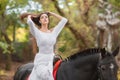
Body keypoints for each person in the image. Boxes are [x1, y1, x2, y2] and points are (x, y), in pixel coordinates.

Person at [20, 11, 68, 80]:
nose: (45, 18)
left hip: (52, 59)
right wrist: (30, 16)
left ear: (48, 20)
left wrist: (51, 13)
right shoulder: (37, 32)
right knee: (45, 76)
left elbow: (64, 20)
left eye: (46, 17)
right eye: (42, 17)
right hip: (41, 60)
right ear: (40, 21)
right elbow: (30, 22)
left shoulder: (54, 32)